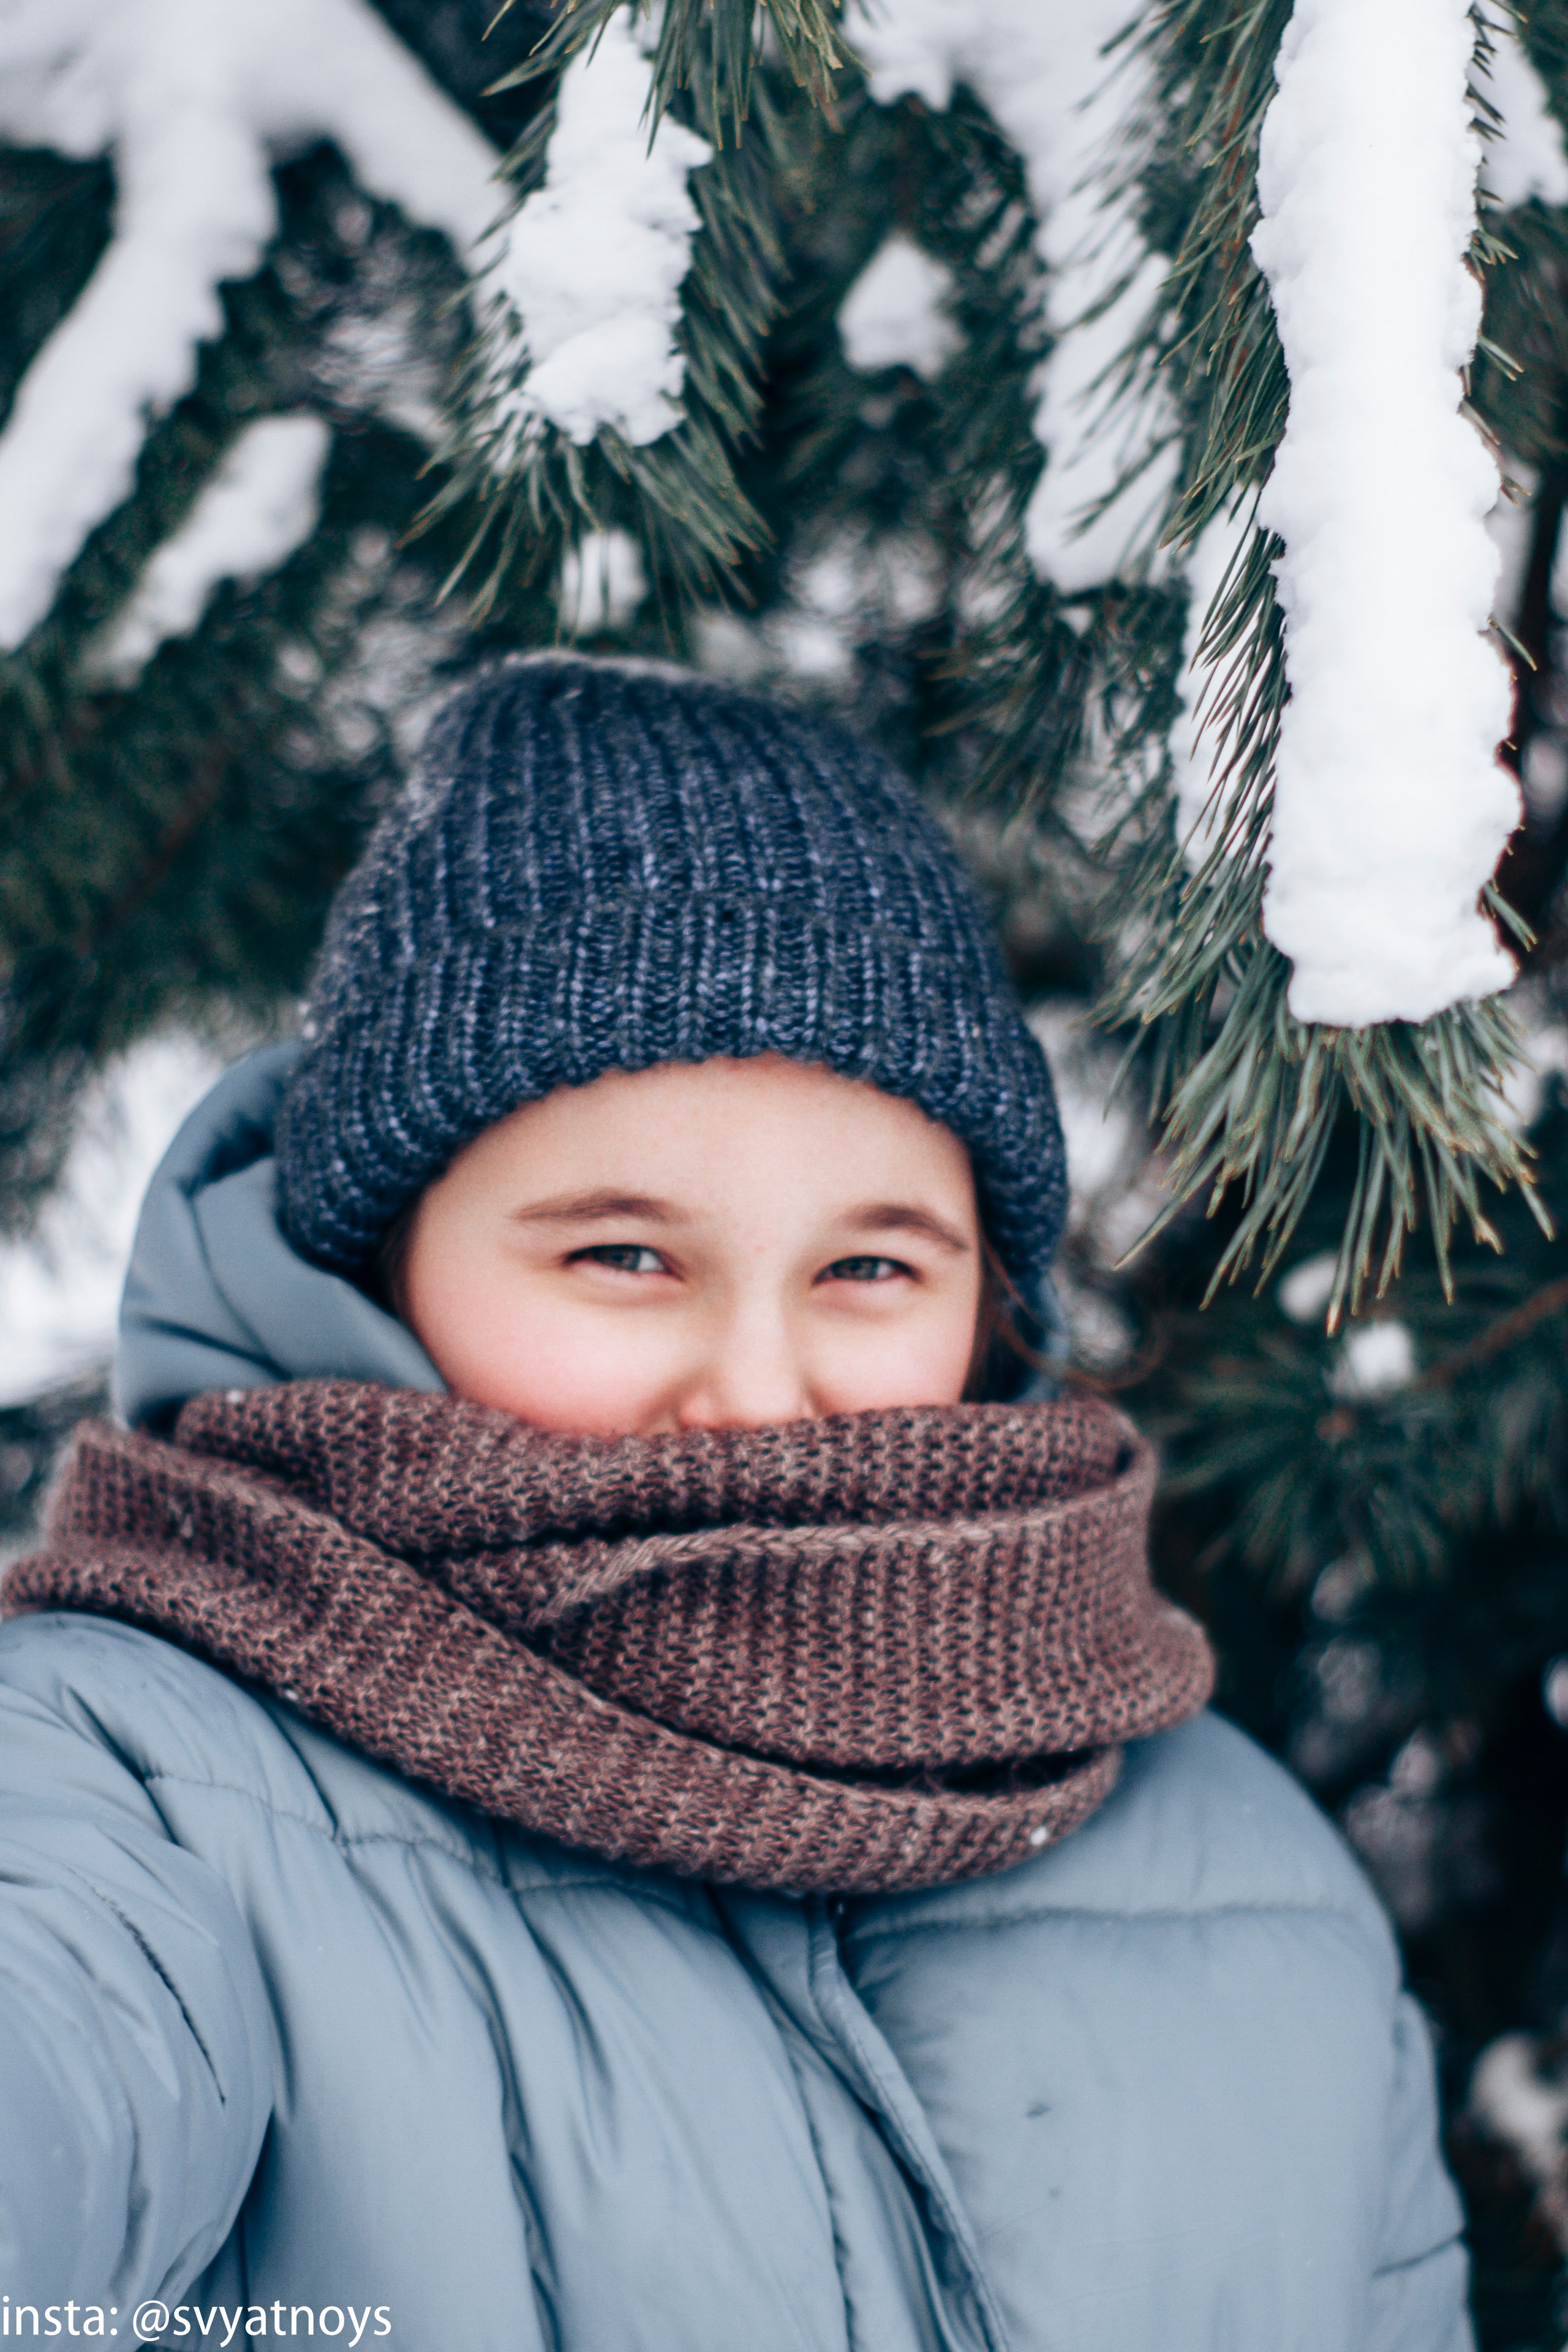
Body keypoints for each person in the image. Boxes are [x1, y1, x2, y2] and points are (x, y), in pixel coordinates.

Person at [0, 657, 1469, 2350]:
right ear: (381, 1258)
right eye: (623, 1255)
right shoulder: (131, 1779)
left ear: (991, 1295)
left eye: (867, 1265)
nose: (758, 1394)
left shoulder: (1238, 1862)